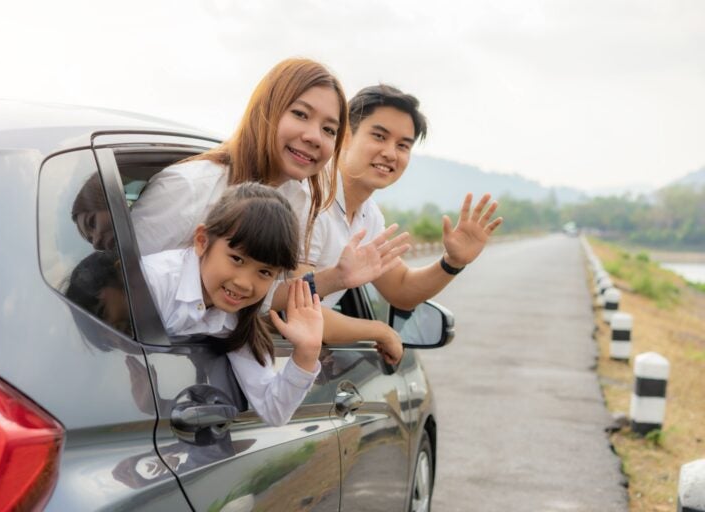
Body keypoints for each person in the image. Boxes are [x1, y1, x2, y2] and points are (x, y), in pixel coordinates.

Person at [130, 57, 409, 312]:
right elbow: (120, 288)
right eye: (300, 114)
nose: (314, 137)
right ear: (266, 109)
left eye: (328, 130)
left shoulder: (296, 199)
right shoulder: (189, 188)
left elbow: (263, 300)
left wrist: (337, 278)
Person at [301, 85, 503, 352]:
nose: (390, 153)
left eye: (403, 145)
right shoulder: (308, 196)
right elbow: (293, 307)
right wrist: (380, 332)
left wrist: (452, 262)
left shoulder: (368, 214)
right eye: (379, 136)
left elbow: (401, 289)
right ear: (345, 136)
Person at [140, 183, 323, 427]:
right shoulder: (152, 283)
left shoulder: (238, 319)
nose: (245, 283)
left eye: (265, 272)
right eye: (237, 259)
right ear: (202, 241)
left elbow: (274, 411)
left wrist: (307, 352)